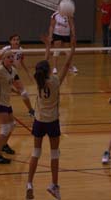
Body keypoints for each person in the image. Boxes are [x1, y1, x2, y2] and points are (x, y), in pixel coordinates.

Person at [26, 32, 75, 200]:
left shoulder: (37, 80)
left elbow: (43, 64)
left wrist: (47, 46)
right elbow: (67, 64)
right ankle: (54, 185)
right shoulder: (54, 82)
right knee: (55, 154)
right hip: (52, 122)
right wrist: (72, 48)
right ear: (48, 71)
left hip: (39, 121)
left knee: (36, 152)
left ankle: (29, 183)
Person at [0, 34, 34, 119]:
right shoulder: (6, 49)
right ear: (10, 41)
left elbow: (22, 61)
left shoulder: (20, 50)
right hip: (4, 73)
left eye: (17, 40)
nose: (16, 41)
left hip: (13, 73)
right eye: (14, 40)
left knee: (23, 92)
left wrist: (28, 73)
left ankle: (31, 110)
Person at [48, 8, 77, 74]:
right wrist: (50, 36)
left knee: (67, 51)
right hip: (57, 34)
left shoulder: (69, 14)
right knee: (57, 50)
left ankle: (70, 66)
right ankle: (55, 67)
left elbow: (72, 25)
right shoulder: (55, 15)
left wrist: (73, 35)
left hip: (66, 34)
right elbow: (51, 26)